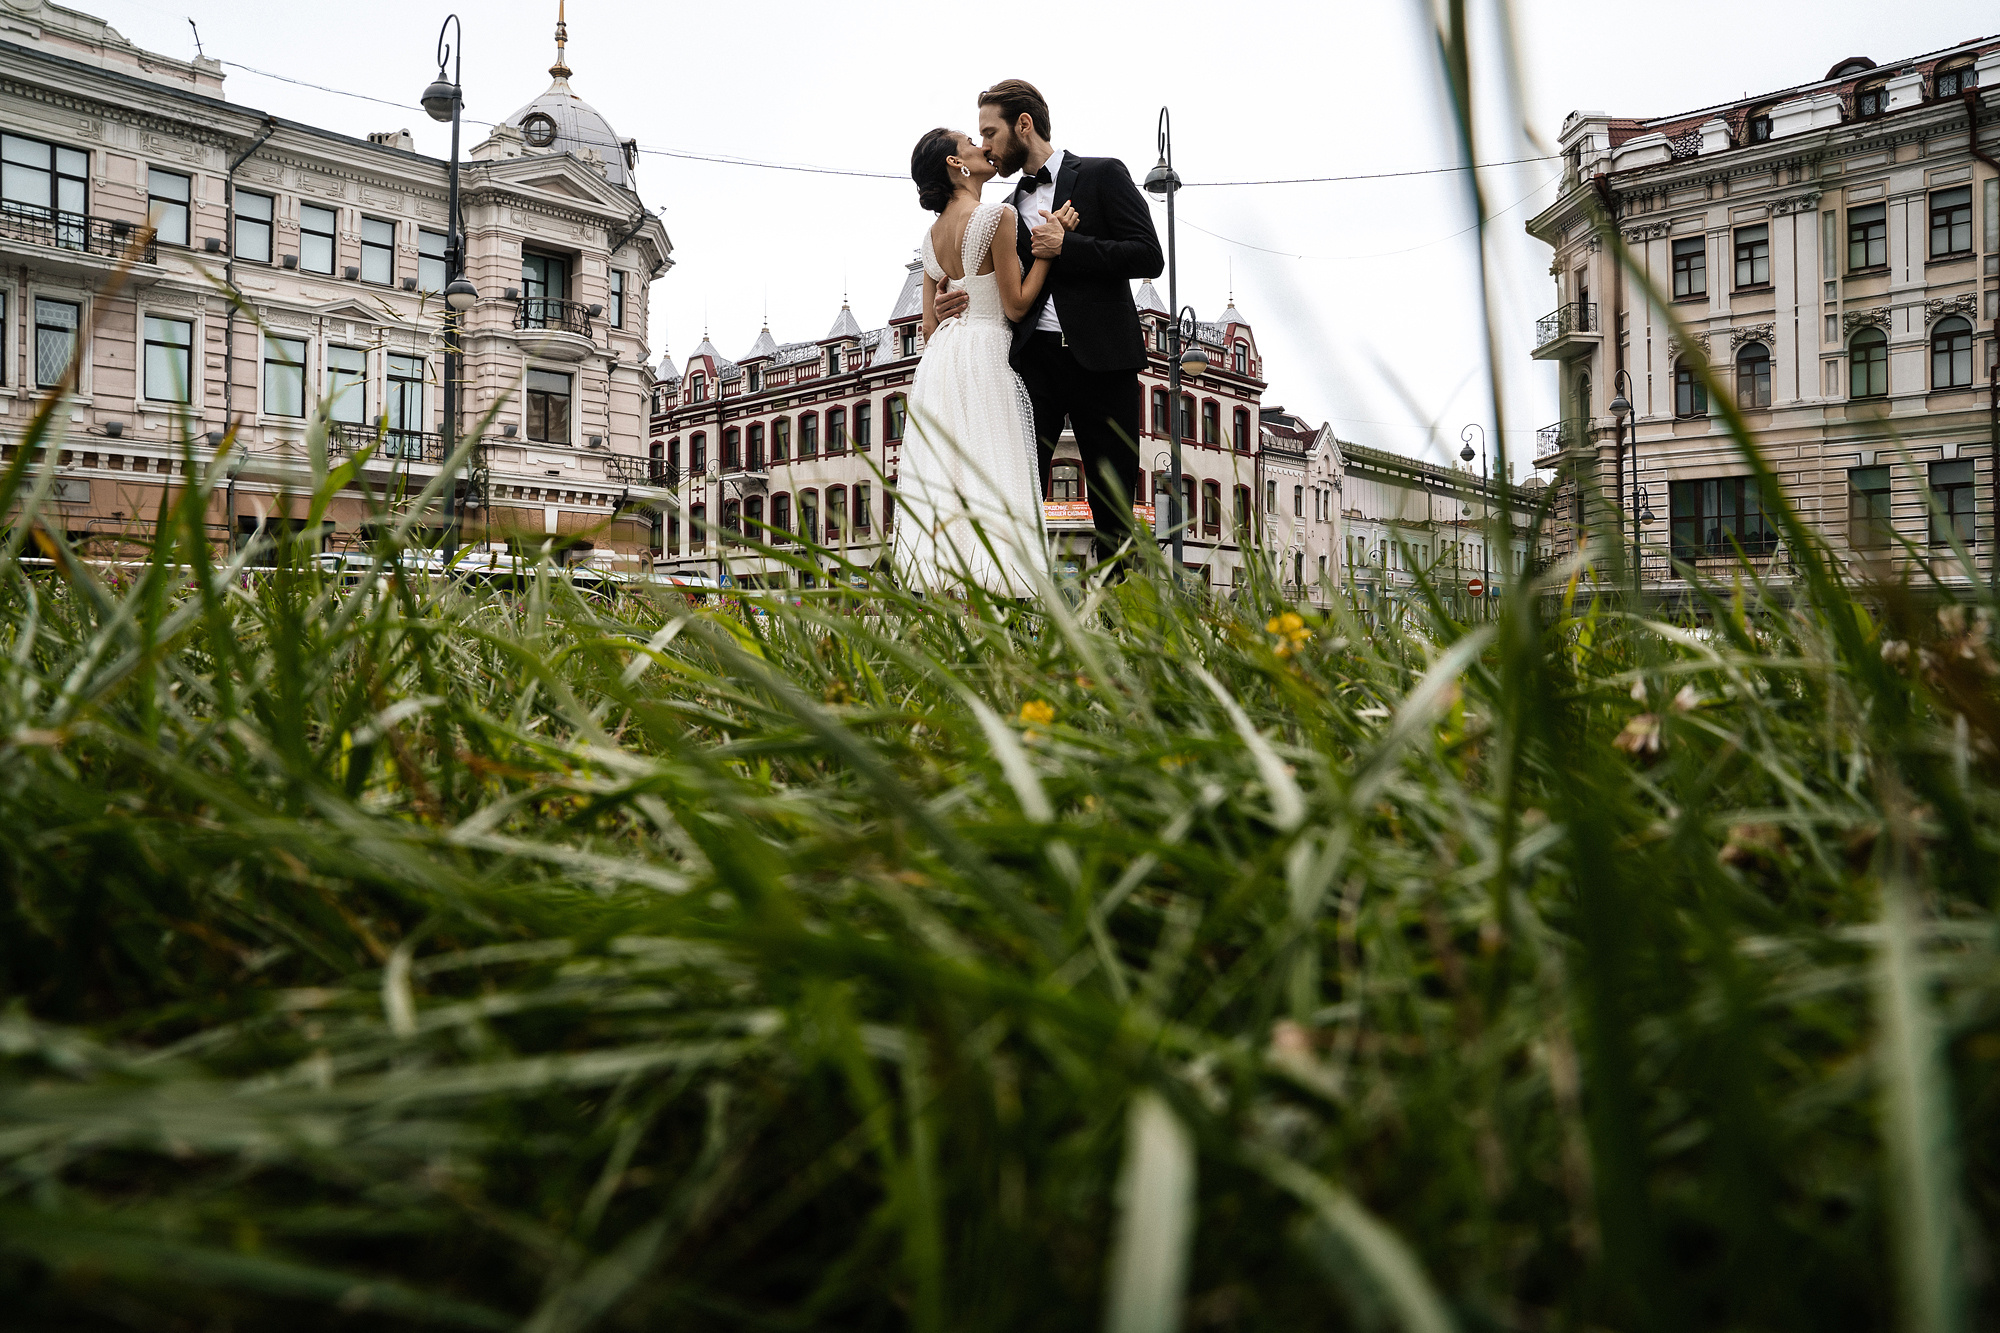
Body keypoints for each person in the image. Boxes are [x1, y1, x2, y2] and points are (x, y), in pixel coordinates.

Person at [934, 79, 1165, 566]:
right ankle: (1020, 621)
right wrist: (948, 301)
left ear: (1024, 124)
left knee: (1114, 505)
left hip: (1103, 363)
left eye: (990, 132)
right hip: (1029, 366)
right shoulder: (1003, 207)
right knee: (1017, 498)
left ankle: (1117, 626)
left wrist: (1069, 246)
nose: (987, 146)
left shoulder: (1103, 175)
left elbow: (1148, 255)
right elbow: (992, 281)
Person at [899, 128, 1079, 597]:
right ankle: (995, 606)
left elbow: (929, 328)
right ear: (956, 165)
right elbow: (1017, 305)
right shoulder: (996, 216)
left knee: (951, 482)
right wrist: (1047, 252)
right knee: (995, 477)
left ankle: (952, 602)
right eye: (969, 143)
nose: (982, 147)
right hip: (984, 354)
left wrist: (945, 304)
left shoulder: (929, 237)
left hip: (941, 364)